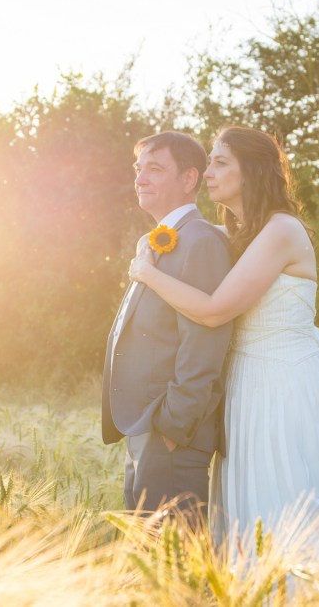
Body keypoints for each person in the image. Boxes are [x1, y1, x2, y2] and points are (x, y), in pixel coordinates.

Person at [128, 126, 319, 588]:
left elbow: (213, 311)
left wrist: (146, 272)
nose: (208, 172)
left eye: (220, 162)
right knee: (252, 512)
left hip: (284, 388)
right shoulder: (237, 233)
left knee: (292, 503)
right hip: (247, 388)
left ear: (252, 170)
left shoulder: (281, 230)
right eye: (209, 162)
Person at [102, 131, 233, 518]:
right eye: (138, 168)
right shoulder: (160, 240)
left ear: (189, 179)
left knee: (175, 562)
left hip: (171, 431)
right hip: (146, 426)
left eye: (155, 169)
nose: (140, 177)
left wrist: (175, 428)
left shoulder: (200, 241)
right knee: (149, 553)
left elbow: (205, 340)